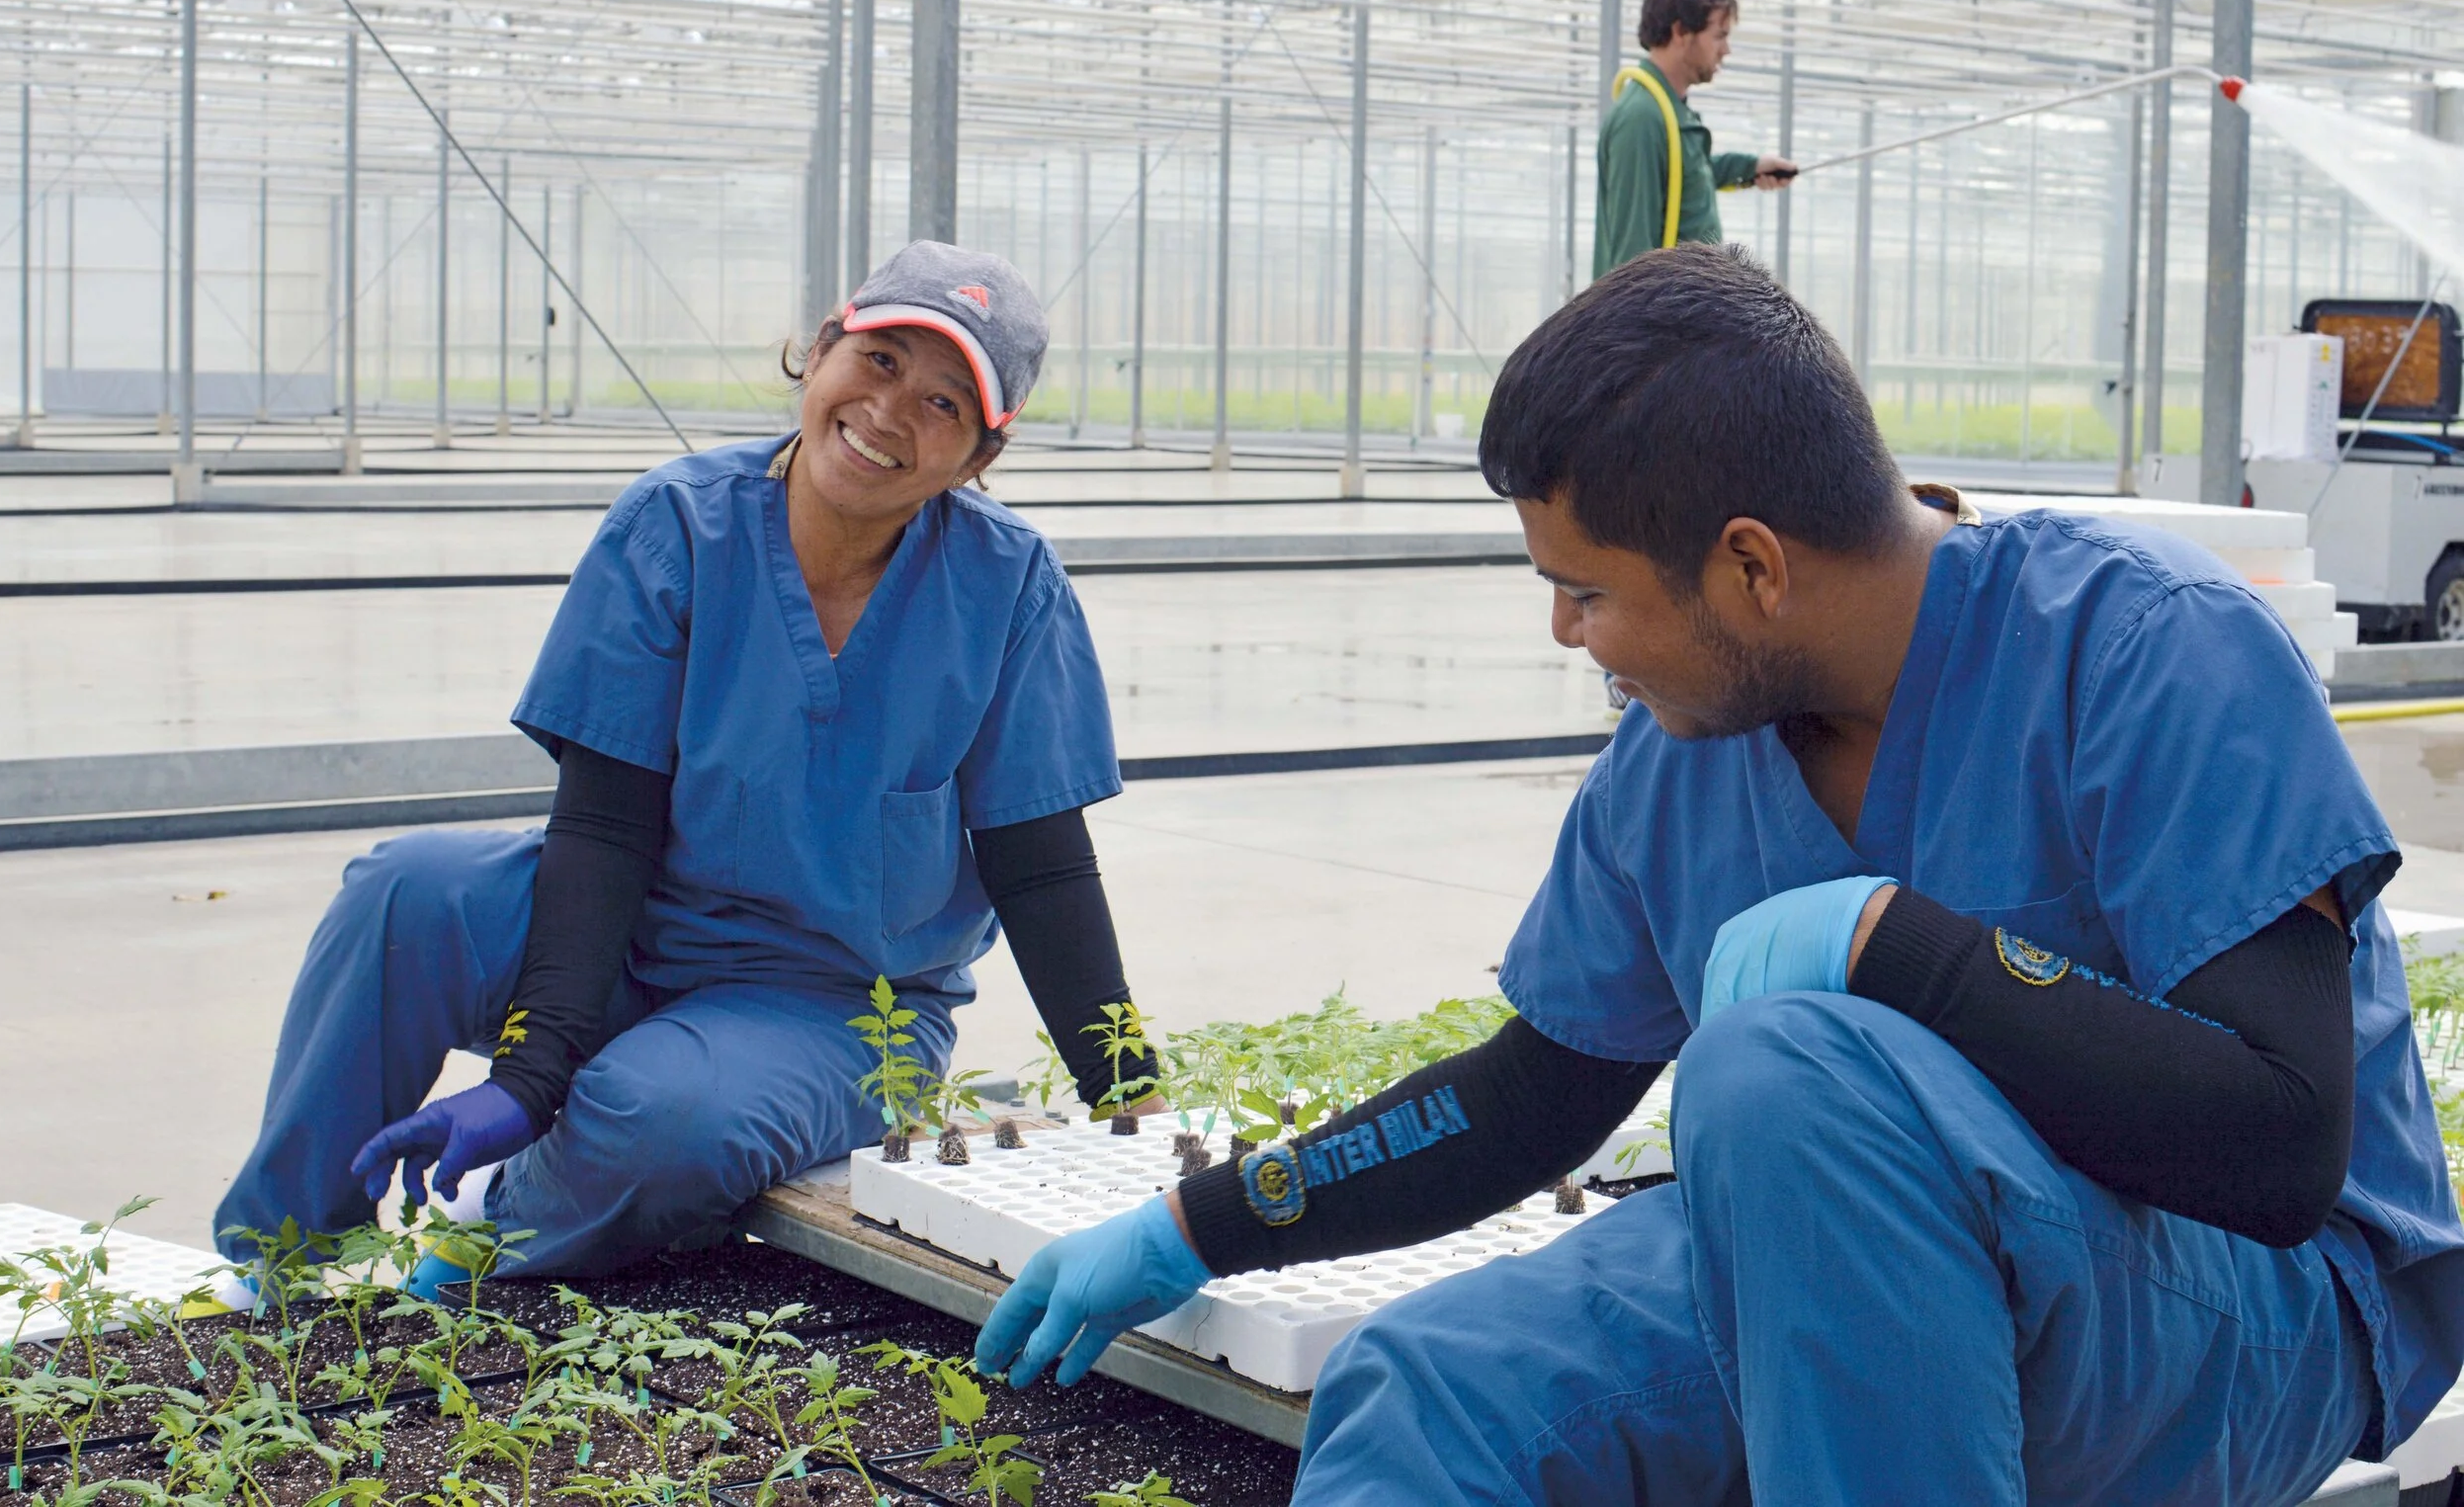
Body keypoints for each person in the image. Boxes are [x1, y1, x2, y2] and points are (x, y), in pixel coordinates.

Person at [973, 244, 2464, 1505]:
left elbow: (2281, 1149)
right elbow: (1528, 1098)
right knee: (1433, 1391)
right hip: (1852, 1244)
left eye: (1587, 590)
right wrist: (1200, 1222)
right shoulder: (1679, 757)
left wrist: (1904, 950)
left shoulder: (2148, 652)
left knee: (1788, 1066)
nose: (1568, 634)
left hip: (2252, 1302)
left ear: (1752, 566)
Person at [213, 241, 1161, 1290]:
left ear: (980, 456)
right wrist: (534, 1071)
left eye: (945, 405)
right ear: (824, 350)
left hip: (833, 1003)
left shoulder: (1006, 587)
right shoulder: (678, 525)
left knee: (665, 1122)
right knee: (404, 895)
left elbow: (1042, 868)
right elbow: (603, 826)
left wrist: (1130, 1093)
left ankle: (492, 1229)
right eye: (882, 362)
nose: (893, 413)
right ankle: (289, 1259)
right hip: (629, 925)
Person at [1593, 0, 1794, 275]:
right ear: (1681, 32)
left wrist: (1749, 168)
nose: (1726, 49)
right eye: (1719, 35)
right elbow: (1630, 259)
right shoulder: (1641, 119)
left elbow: (1683, 178)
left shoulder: (1669, 113)